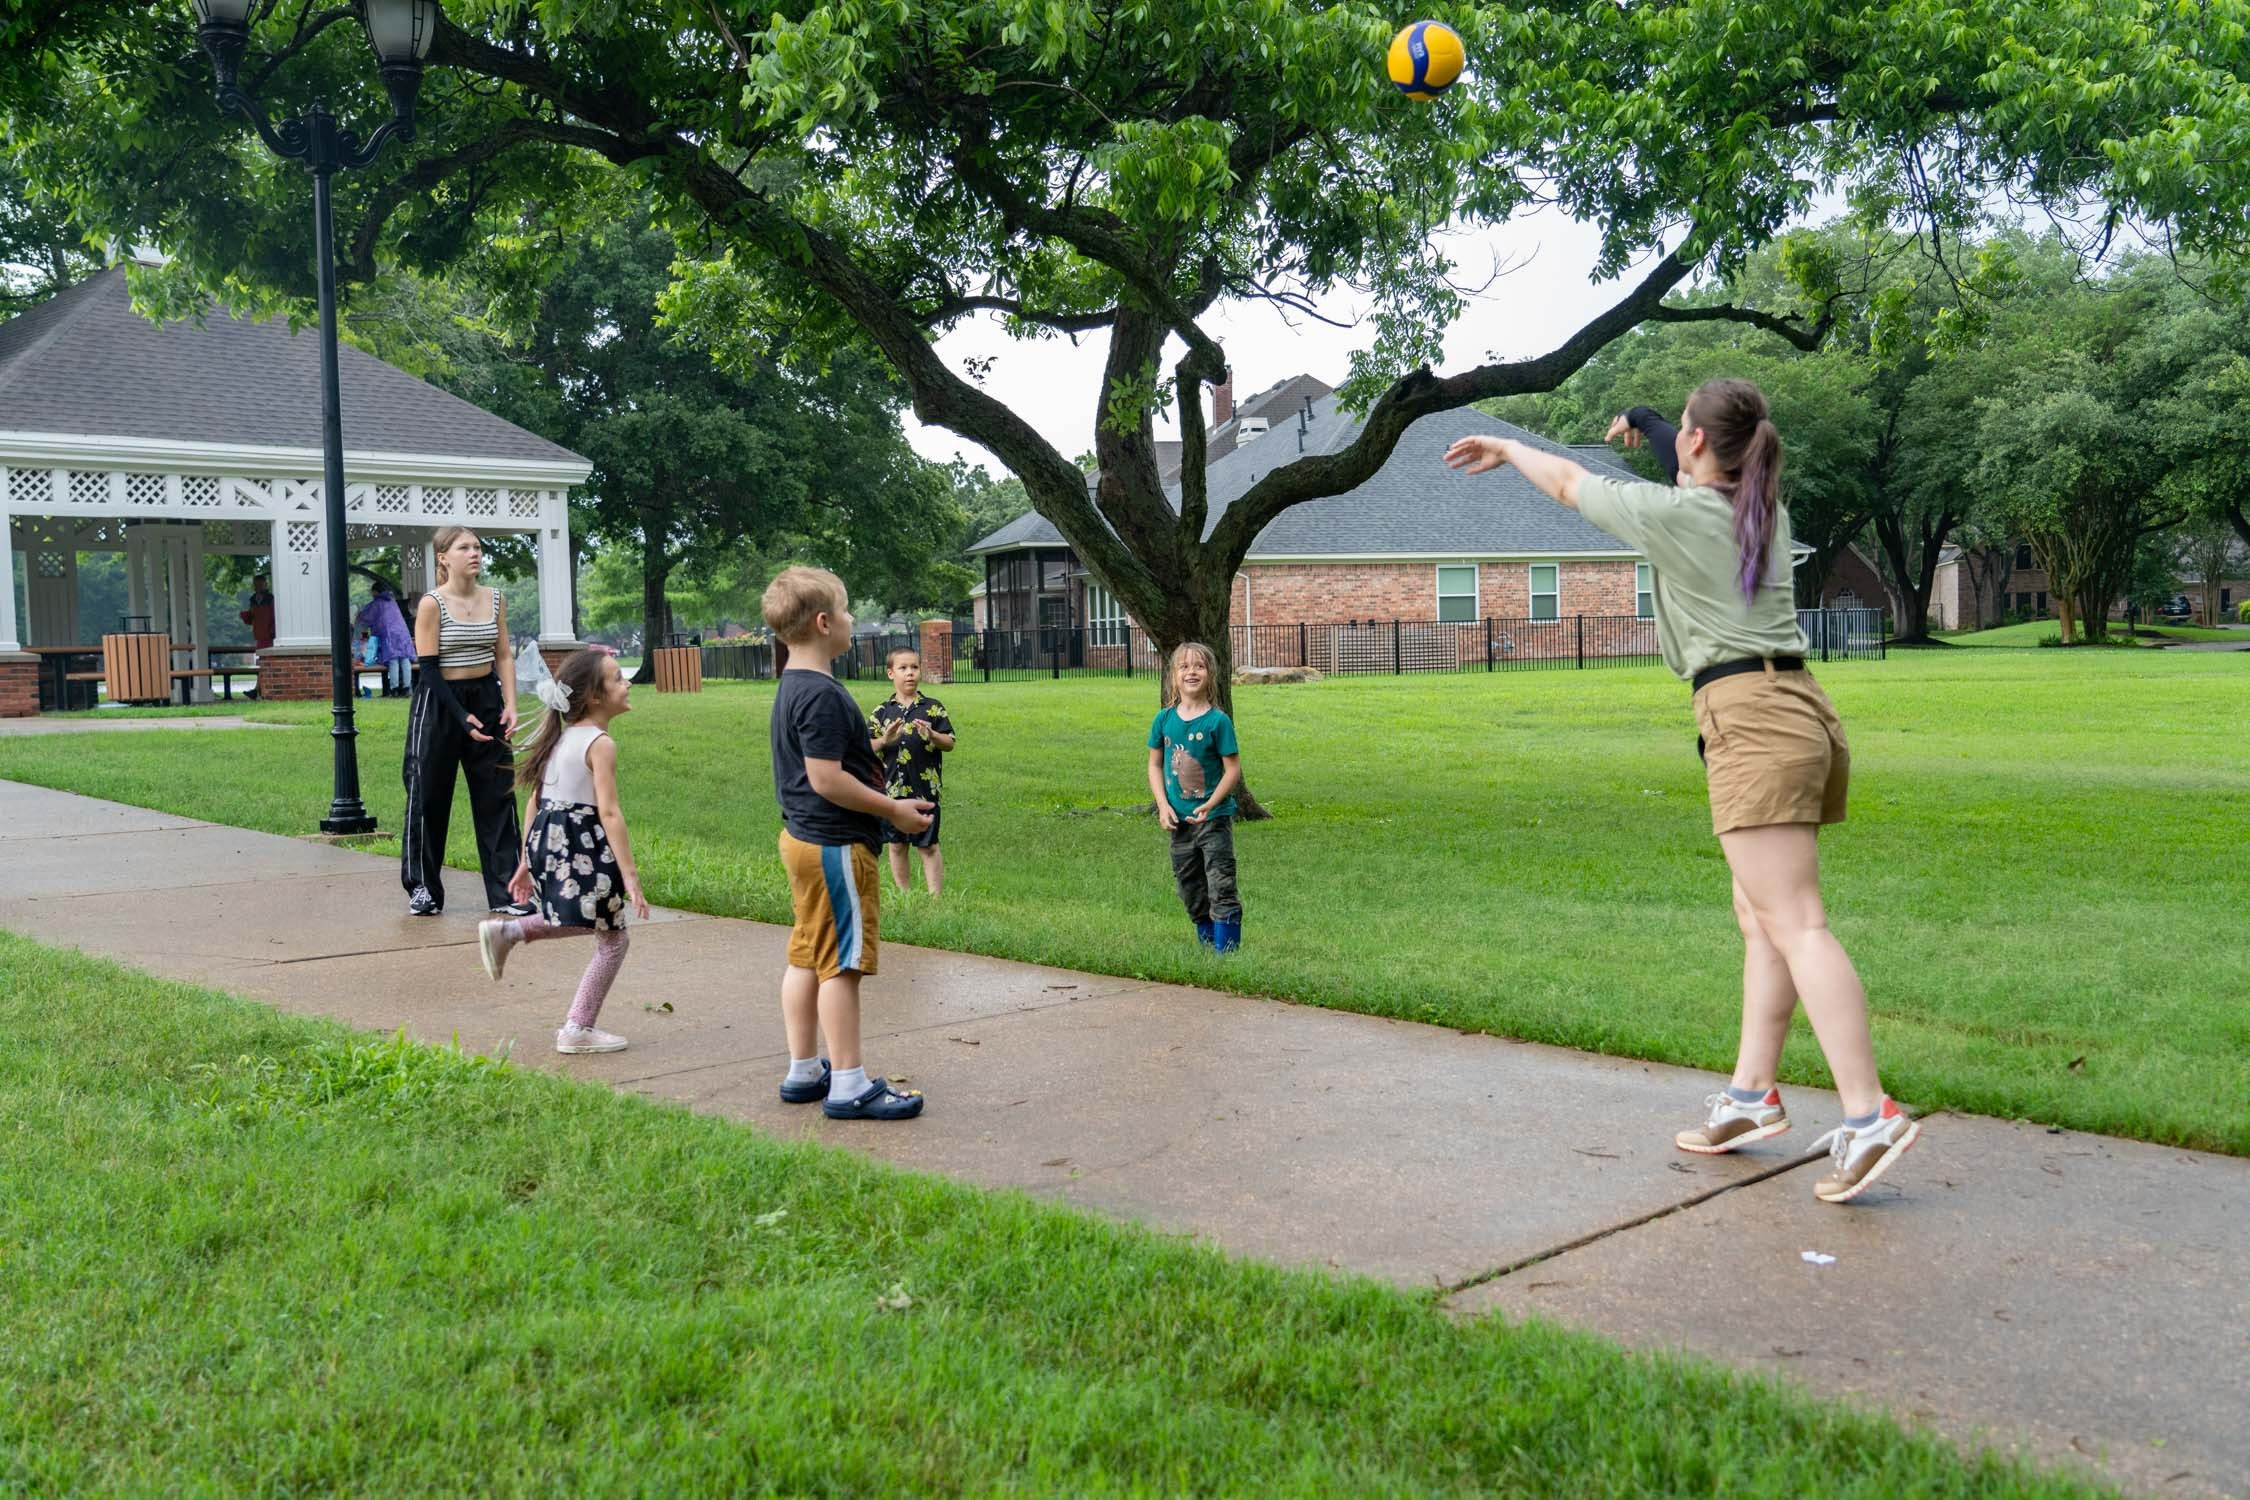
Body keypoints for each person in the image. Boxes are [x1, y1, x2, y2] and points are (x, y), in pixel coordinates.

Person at [1443, 379, 1920, 1205]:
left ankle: (1868, 1114)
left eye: (1682, 437)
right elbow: (1682, 455)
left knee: (1798, 921)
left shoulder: (1679, 517)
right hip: (1796, 708)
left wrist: (1513, 447)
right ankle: (1750, 1097)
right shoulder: (1756, 510)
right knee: (1763, 917)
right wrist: (1646, 419)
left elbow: (1567, 484)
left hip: (1751, 718)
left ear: (1702, 445)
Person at [764, 566, 934, 1121]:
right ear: (822, 623)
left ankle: (805, 1069)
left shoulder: (792, 684)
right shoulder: (821, 695)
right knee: (843, 964)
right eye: (845, 610)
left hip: (803, 839)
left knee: (808, 955)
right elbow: (827, 779)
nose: (852, 620)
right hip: (835, 844)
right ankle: (849, 1085)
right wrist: (894, 811)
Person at [475, 649, 649, 1055]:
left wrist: (526, 860)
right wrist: (631, 876)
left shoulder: (559, 737)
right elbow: (608, 811)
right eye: (618, 679)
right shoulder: (600, 743)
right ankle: (577, 1028)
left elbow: (536, 802)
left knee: (590, 922)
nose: (627, 684)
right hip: (582, 845)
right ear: (594, 697)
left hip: (551, 840)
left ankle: (511, 932)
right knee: (613, 940)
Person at [400, 527, 531, 918]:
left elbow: (504, 655)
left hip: (486, 699)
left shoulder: (495, 599)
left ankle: (507, 890)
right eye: (464, 548)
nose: (474, 553)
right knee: (428, 797)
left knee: (498, 796)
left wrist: (510, 704)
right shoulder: (432, 604)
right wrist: (461, 717)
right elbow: (428, 669)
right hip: (440, 704)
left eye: (477, 547)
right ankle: (423, 887)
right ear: (444, 557)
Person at [1146, 641, 1244, 952]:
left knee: (1221, 883)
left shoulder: (1218, 721)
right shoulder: (1164, 720)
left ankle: (1225, 954)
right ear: (1173, 676)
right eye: (1184, 666)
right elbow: (1155, 764)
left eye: (1199, 666)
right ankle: (1206, 948)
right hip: (1179, 822)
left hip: (1212, 819)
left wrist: (1211, 803)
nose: (1191, 672)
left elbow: (1232, 770)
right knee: (1190, 888)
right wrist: (1163, 807)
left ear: (1211, 674)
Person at [868, 647, 956, 896]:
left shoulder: (933, 708)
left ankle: (935, 898)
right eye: (903, 668)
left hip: (924, 791)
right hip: (891, 791)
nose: (910, 674)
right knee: (896, 845)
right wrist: (884, 740)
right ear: (890, 673)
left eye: (914, 668)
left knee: (927, 845)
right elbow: (866, 747)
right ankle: (903, 895)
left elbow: (949, 742)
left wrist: (933, 735)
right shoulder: (882, 712)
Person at [356, 579, 416, 697]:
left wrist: (359, 616)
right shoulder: (392, 601)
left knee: (393, 660)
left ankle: (394, 689)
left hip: (389, 635)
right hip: (402, 633)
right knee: (405, 659)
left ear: (376, 592)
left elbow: (366, 618)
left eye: (372, 592)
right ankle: (407, 688)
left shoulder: (377, 603)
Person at [238, 574, 275, 650]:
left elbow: (275, 615)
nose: (258, 587)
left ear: (266, 585)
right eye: (256, 585)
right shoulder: (252, 599)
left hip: (270, 634)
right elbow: (252, 619)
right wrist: (245, 616)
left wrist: (273, 629)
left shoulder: (270, 598)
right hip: (259, 634)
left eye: (260, 584)